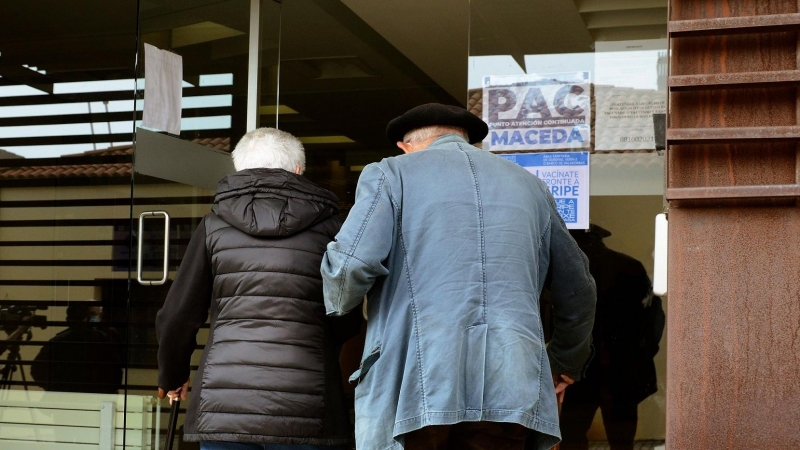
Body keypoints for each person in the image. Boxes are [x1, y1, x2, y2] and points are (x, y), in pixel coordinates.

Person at [321, 103, 597, 450]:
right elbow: (579, 289)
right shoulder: (531, 187)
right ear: (468, 140)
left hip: (419, 385)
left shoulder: (391, 173)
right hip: (512, 383)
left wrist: (336, 313)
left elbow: (351, 266)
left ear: (404, 145)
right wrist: (563, 362)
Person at [156, 128, 361, 450]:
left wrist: (172, 376)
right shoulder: (332, 228)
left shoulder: (214, 224)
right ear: (297, 169)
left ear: (239, 170)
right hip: (306, 405)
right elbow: (345, 315)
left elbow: (178, 315)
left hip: (223, 407)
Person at [559, 225, 665, 450]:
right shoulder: (628, 266)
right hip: (617, 368)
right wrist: (641, 356)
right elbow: (653, 320)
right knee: (618, 438)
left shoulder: (569, 271)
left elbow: (652, 319)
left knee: (573, 435)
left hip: (587, 368)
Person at [30, 303, 122, 393]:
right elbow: (116, 371)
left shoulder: (57, 342)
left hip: (63, 398)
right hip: (96, 398)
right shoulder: (103, 339)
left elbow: (37, 370)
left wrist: (55, 389)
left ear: (67, 320)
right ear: (88, 319)